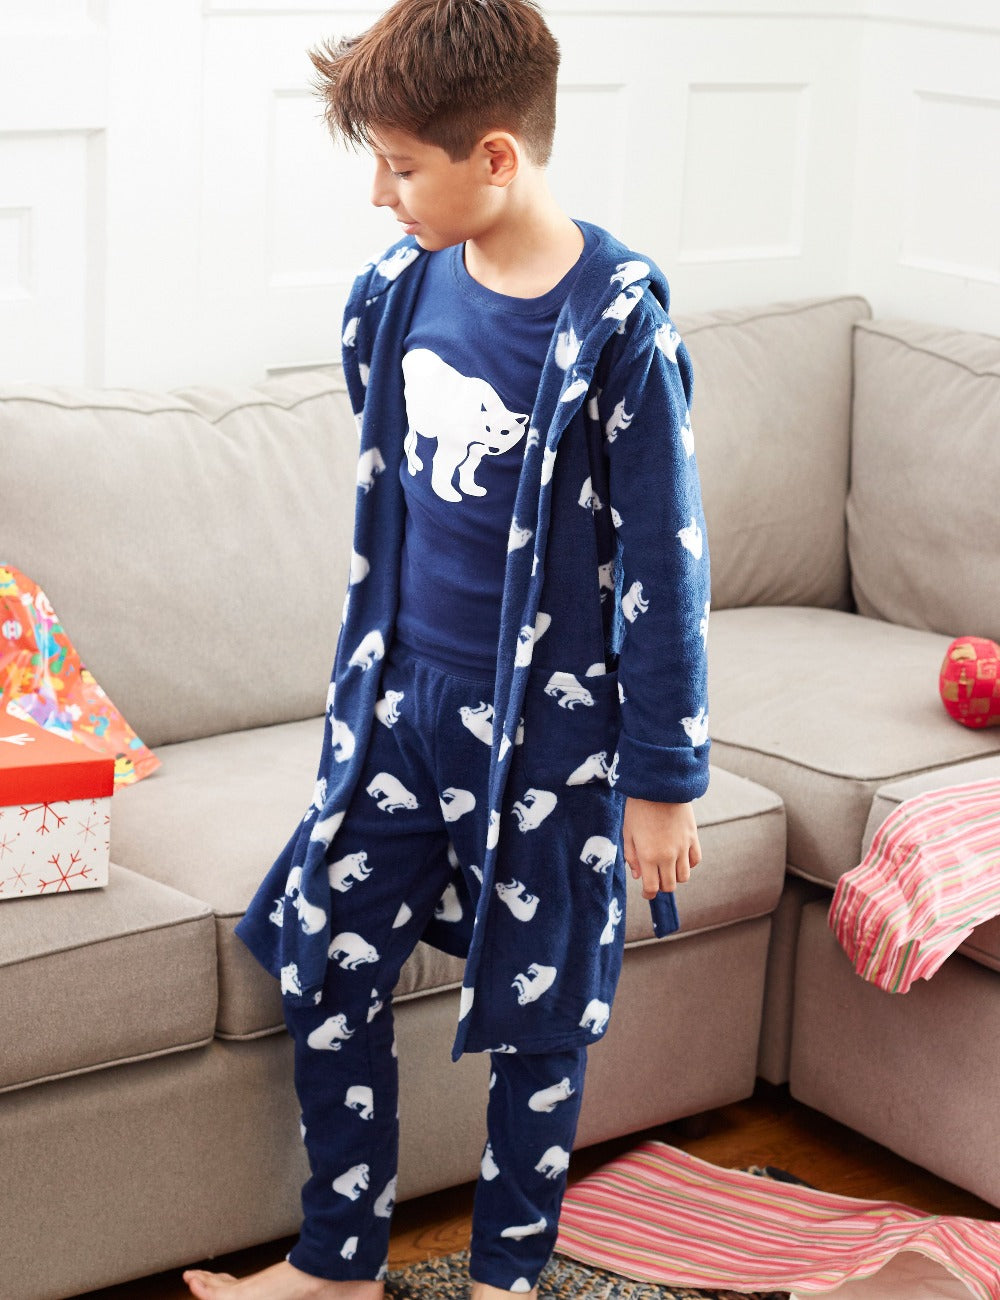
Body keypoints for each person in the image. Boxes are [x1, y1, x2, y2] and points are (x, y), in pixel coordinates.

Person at [183, 2, 710, 1297]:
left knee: (540, 1013)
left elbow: (666, 567)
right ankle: (337, 1263)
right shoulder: (396, 294)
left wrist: (664, 779)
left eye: (402, 167)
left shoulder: (619, 332)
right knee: (326, 948)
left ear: (496, 157)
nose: (380, 194)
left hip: (552, 737)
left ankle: (505, 1279)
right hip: (397, 708)